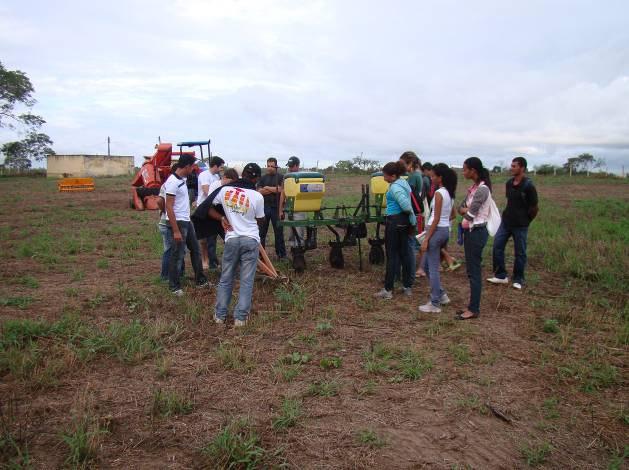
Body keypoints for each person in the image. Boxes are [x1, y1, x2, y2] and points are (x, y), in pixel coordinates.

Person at [208, 163, 265, 327]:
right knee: (246, 280)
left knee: (226, 278)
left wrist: (221, 218)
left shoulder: (225, 191)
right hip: (250, 240)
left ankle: (220, 316)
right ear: (256, 178)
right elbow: (260, 220)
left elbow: (207, 206)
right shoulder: (257, 196)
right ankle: (240, 318)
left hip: (232, 239)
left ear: (242, 175)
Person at [488, 156, 539, 290]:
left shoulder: (528, 186)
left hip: (521, 224)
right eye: (511, 165)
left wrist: (526, 220)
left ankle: (518, 279)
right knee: (497, 246)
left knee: (520, 252)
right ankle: (500, 275)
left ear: (522, 168)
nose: (512, 168)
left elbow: (534, 207)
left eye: (515, 166)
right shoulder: (509, 183)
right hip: (506, 222)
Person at [164, 154, 209, 296]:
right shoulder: (172, 182)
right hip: (178, 222)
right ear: (187, 166)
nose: (194, 168)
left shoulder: (182, 179)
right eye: (193, 166)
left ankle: (201, 280)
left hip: (186, 221)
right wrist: (176, 231)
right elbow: (169, 207)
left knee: (195, 250)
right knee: (177, 254)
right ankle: (174, 287)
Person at [456, 157, 492, 319]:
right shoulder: (473, 189)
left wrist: (466, 210)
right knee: (471, 271)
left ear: (473, 171)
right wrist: (466, 209)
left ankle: (473, 309)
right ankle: (472, 305)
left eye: (465, 169)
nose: (463, 172)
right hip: (471, 232)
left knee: (474, 272)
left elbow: (469, 215)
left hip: (476, 232)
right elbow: (460, 208)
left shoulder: (482, 190)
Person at [374, 161, 417, 299]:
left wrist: (410, 214)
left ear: (392, 176)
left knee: (392, 256)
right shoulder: (404, 183)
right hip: (404, 223)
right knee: (405, 254)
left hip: (395, 222)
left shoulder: (395, 188)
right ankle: (407, 287)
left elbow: (405, 205)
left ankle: (388, 290)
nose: (383, 177)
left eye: (385, 175)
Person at [419, 163, 457, 313]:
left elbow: (435, 218)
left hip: (436, 231)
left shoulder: (439, 193)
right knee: (428, 267)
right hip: (443, 230)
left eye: (433, 175)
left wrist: (427, 238)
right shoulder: (449, 193)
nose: (431, 178)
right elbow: (452, 214)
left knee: (433, 268)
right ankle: (441, 295)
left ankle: (434, 303)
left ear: (440, 178)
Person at [399, 151, 425, 289]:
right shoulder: (415, 175)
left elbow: (410, 195)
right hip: (415, 211)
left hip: (412, 212)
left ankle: (409, 275)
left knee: (410, 245)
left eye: (404, 164)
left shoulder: (415, 176)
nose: (402, 167)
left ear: (410, 163)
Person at [197, 156, 226, 269]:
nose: (221, 169)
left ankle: (212, 260)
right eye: (221, 167)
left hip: (213, 208)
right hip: (205, 208)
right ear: (215, 166)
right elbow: (206, 191)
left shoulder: (216, 176)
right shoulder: (205, 175)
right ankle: (208, 261)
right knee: (207, 236)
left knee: (213, 235)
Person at [257, 157, 287, 260]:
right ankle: (261, 255)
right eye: (268, 166)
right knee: (261, 233)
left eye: (272, 166)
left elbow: (282, 190)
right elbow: (260, 191)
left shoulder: (281, 177)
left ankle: (281, 254)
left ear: (276, 166)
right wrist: (274, 189)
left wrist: (267, 188)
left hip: (276, 208)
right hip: (264, 208)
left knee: (278, 232)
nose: (269, 168)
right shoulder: (262, 178)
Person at [279, 156, 306, 250]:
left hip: (300, 208)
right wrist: (280, 210)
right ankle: (293, 250)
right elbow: (282, 193)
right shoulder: (286, 177)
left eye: (292, 166)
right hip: (288, 208)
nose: (290, 168)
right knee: (290, 232)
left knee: (299, 231)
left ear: (297, 166)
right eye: (289, 166)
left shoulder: (303, 178)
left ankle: (299, 251)